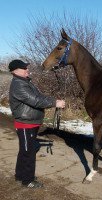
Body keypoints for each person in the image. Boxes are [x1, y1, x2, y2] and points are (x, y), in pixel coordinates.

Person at [8, 59, 65, 188]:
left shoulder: (25, 82)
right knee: (29, 151)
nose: (27, 70)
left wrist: (53, 100)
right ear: (16, 71)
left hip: (30, 123)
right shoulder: (18, 84)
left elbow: (39, 97)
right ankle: (27, 180)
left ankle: (20, 175)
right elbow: (35, 101)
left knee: (25, 150)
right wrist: (55, 103)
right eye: (24, 68)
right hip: (25, 124)